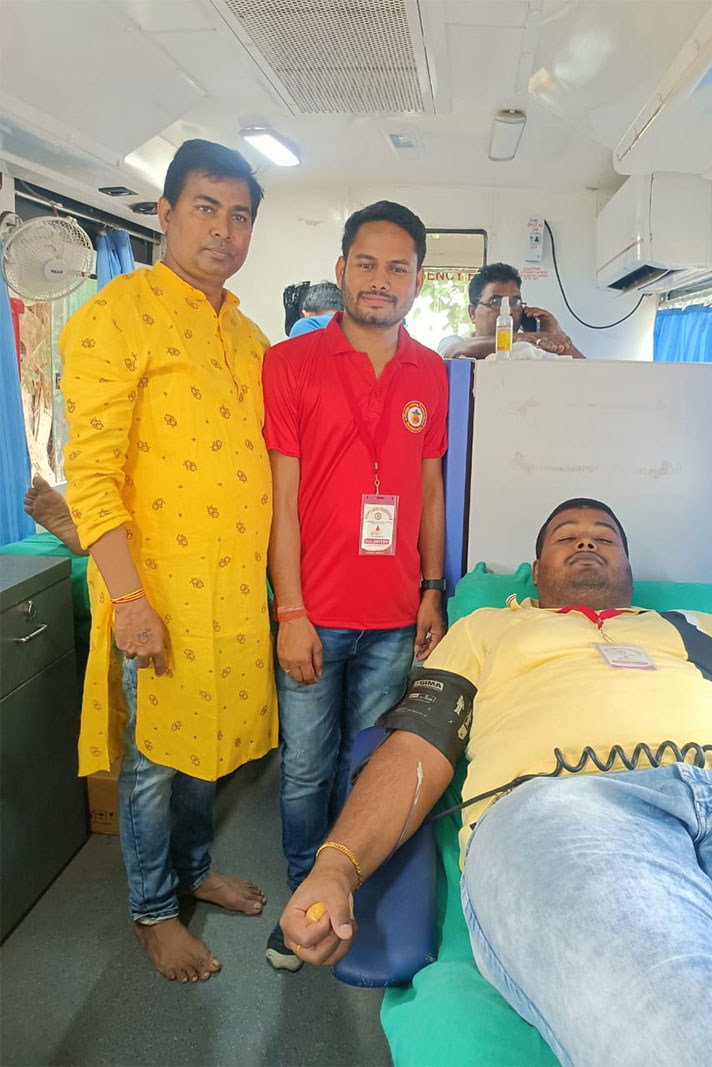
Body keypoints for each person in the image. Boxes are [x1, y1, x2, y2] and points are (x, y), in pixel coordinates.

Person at [279, 497, 712, 1065]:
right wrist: (336, 867)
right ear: (536, 570)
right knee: (684, 1019)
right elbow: (415, 747)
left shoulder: (703, 629)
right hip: (566, 809)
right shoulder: (489, 629)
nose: (586, 541)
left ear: (628, 569)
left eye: (605, 537)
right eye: (566, 536)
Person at [60, 139, 279, 984]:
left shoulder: (251, 338)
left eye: (240, 214)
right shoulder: (115, 315)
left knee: (204, 751)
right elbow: (91, 473)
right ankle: (154, 910)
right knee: (154, 764)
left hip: (231, 595)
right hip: (153, 593)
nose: (224, 230)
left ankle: (193, 871)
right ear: (165, 213)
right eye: (205, 208)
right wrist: (128, 599)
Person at [262, 200, 449, 970]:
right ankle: (302, 901)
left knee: (367, 762)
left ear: (418, 280)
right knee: (306, 765)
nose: (380, 280)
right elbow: (281, 500)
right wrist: (290, 610)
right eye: (366, 264)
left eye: (397, 268)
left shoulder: (431, 371)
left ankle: (351, 888)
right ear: (340, 269)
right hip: (315, 610)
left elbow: (430, 490)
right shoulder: (290, 363)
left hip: (395, 614)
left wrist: (433, 587)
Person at [438, 262, 585, 359]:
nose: (508, 311)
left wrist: (557, 335)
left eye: (515, 302)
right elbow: (453, 352)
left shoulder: (530, 351)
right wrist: (522, 338)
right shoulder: (456, 342)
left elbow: (587, 375)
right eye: (496, 302)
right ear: (472, 313)